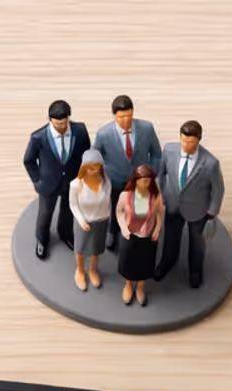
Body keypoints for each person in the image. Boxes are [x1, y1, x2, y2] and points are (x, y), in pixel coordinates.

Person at [158, 120, 225, 288]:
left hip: (197, 209)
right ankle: (167, 262)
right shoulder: (169, 150)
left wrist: (212, 210)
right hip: (173, 205)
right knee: (170, 238)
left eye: (191, 142)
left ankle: (195, 271)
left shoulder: (210, 163)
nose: (186, 145)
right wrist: (162, 194)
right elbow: (161, 173)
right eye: (183, 140)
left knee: (197, 243)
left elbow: (218, 188)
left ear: (198, 140)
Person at [22, 100, 90, 259]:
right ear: (50, 120)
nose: (61, 127)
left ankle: (65, 233)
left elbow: (86, 153)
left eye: (64, 123)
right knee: (45, 213)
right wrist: (37, 181)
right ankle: (42, 238)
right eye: (57, 124)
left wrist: (83, 177)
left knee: (68, 210)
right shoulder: (38, 137)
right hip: (48, 184)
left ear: (69, 119)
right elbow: (28, 160)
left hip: (72, 182)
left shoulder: (79, 131)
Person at [95, 95, 162, 252]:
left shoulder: (147, 128)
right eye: (121, 117)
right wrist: (101, 177)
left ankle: (137, 230)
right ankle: (113, 230)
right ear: (114, 116)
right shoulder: (103, 134)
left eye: (129, 116)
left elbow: (157, 154)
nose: (125, 121)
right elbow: (95, 156)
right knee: (115, 208)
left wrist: (151, 174)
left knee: (139, 208)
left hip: (140, 183)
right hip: (115, 180)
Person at [115, 165, 164, 306]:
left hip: (147, 235)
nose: (145, 184)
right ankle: (129, 285)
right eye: (143, 181)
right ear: (136, 180)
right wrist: (124, 228)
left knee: (145, 261)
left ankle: (141, 287)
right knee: (129, 261)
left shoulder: (155, 196)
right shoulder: (126, 195)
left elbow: (159, 214)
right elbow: (119, 212)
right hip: (130, 234)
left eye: (148, 181)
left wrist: (157, 229)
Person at [68, 150, 112, 291]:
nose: (95, 170)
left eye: (97, 166)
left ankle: (92, 269)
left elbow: (108, 201)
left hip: (101, 220)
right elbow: (73, 204)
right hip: (84, 221)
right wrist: (81, 221)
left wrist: (107, 215)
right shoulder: (76, 184)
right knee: (80, 247)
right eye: (91, 166)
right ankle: (80, 270)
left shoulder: (106, 181)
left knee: (96, 248)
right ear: (84, 166)